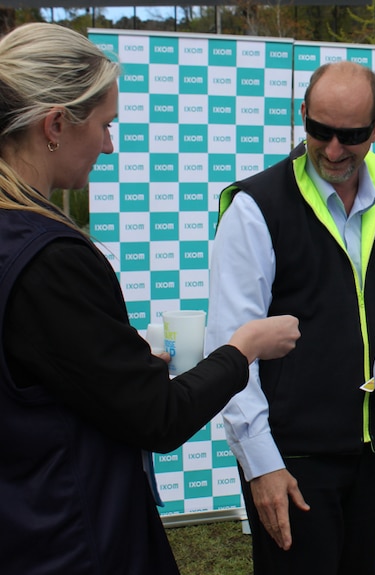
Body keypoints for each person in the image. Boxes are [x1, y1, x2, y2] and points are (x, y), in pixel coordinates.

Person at [0, 22, 301, 575]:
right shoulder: (49, 257)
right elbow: (156, 418)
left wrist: (118, 359)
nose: (109, 146)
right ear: (55, 125)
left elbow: (50, 368)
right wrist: (243, 348)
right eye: (104, 125)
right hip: (70, 537)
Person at [205, 60, 375, 575]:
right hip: (292, 460)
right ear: (302, 115)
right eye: (319, 131)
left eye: (350, 135)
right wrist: (261, 466)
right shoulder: (256, 206)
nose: (332, 150)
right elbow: (230, 348)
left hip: (372, 451)